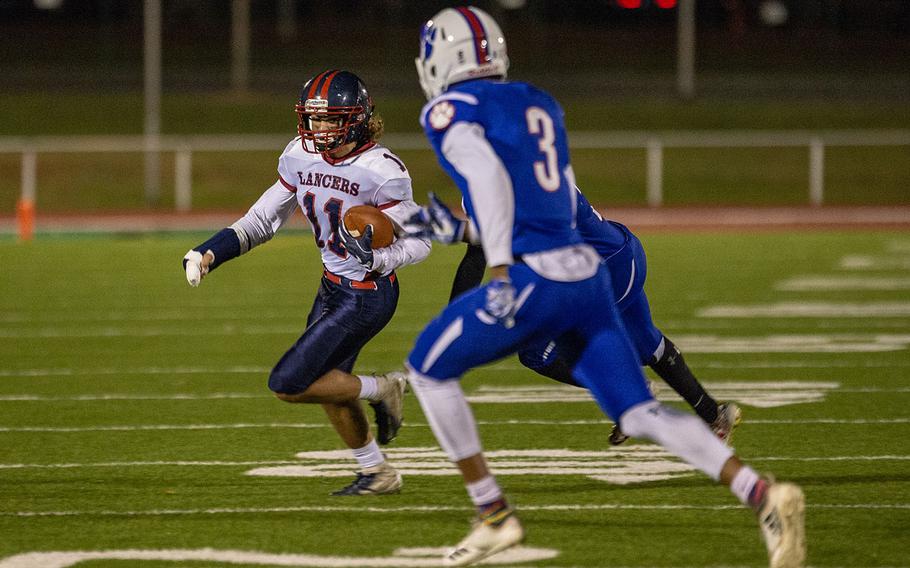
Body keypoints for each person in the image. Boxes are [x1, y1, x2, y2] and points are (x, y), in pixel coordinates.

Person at [405, 7, 804, 567]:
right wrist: (459, 230)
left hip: (533, 275)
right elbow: (547, 204)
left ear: (441, 60)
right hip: (584, 272)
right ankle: (761, 494)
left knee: (426, 369)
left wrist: (496, 267)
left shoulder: (449, 109)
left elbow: (491, 181)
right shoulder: (539, 102)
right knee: (639, 413)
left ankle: (493, 514)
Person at [182, 69, 431, 496]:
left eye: (331, 119)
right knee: (330, 384)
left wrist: (380, 258)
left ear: (357, 119)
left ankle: (384, 387)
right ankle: (377, 473)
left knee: (289, 382)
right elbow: (262, 220)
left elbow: (422, 240)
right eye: (314, 119)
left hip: (367, 293)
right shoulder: (300, 154)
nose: (319, 128)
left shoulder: (382, 170)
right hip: (331, 286)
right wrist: (210, 252)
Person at [432, 188, 742, 446]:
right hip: (619, 254)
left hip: (599, 269)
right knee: (647, 343)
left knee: (537, 352)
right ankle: (715, 416)